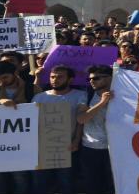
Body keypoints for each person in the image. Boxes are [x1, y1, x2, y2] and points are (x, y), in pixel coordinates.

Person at [0, 61, 42, 193]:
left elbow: (41, 112)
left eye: (5, 77)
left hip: (23, 143)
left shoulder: (32, 89)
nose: (2, 81)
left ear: (15, 73)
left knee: (20, 177)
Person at [31, 65, 86, 194]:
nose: (55, 80)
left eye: (60, 77)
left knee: (66, 183)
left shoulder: (80, 95)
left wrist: (76, 141)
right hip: (42, 149)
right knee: (41, 184)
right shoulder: (39, 97)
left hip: (67, 148)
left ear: (70, 79)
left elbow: (80, 121)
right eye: (52, 77)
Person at [76, 65, 114, 194]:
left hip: (114, 150)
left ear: (109, 78)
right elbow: (81, 119)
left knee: (112, 185)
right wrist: (101, 103)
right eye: (89, 79)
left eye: (96, 78)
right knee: (93, 185)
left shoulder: (123, 95)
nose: (92, 81)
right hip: (90, 149)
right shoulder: (86, 95)